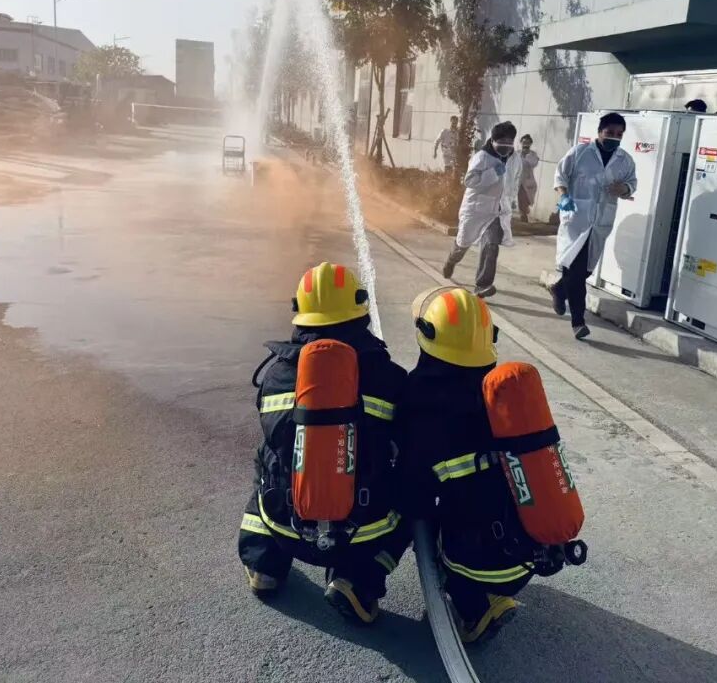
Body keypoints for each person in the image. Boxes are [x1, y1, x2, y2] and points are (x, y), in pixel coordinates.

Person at [401, 287, 586, 644]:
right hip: (533, 551)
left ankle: (478, 608)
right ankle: (495, 591)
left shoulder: (424, 407)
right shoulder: (502, 398)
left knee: (429, 513)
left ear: (428, 337)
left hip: (477, 563)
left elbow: (414, 494)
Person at [238, 262, 409, 625]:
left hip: (286, 524)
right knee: (410, 492)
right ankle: (357, 581)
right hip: (363, 531)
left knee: (267, 457)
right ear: (360, 309)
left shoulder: (278, 374)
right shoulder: (389, 377)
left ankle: (264, 565)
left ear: (300, 313)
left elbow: (274, 433)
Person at [550, 112, 638, 340]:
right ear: (599, 132)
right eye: (609, 132)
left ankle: (559, 289)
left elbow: (632, 183)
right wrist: (563, 195)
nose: (614, 137)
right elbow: (560, 176)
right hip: (576, 219)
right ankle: (578, 322)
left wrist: (624, 189)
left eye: (619, 134)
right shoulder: (580, 152)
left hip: (600, 223)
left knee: (586, 270)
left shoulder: (625, 160)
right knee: (576, 272)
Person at [442, 121, 522, 299]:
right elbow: (469, 181)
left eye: (509, 143)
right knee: (463, 243)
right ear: (493, 140)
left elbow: (515, 179)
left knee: (491, 245)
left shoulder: (515, 158)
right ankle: (451, 261)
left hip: (497, 212)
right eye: (502, 143)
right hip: (477, 209)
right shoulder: (482, 157)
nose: (506, 147)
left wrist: (512, 198)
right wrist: (492, 173)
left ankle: (482, 284)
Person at [517, 134, 540, 223]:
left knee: (526, 200)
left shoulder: (533, 155)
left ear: (530, 144)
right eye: (524, 142)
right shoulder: (516, 154)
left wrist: (526, 155)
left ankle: (524, 212)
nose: (525, 144)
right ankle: (523, 216)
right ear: (521, 143)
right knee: (521, 199)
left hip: (528, 181)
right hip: (518, 180)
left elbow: (533, 163)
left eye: (527, 143)